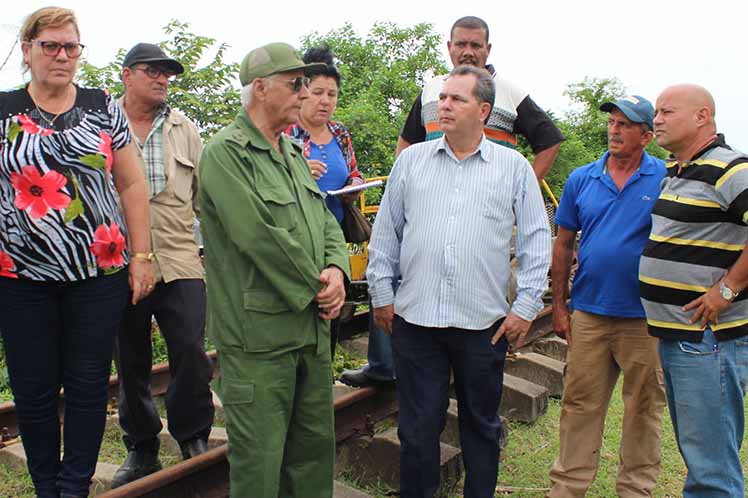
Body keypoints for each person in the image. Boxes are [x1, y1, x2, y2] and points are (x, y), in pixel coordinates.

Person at [340, 15, 563, 388]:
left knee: (478, 299)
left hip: (484, 210)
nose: (468, 51)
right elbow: (407, 140)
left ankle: (468, 371)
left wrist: (520, 190)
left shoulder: (508, 91)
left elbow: (549, 140)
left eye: (476, 45)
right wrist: (406, 183)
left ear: (488, 50)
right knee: (394, 272)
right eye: (461, 43)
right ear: (449, 47)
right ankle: (384, 365)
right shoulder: (431, 89)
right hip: (428, 203)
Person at [367, 65, 551, 498]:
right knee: (416, 429)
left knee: (481, 426)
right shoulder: (411, 162)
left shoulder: (513, 168)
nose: (443, 105)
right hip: (416, 320)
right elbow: (386, 233)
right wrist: (381, 294)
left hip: (482, 326)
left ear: (483, 110)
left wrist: (525, 307)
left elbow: (535, 238)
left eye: (456, 99)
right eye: (442, 98)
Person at [0, 7, 153, 498]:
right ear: (27, 51)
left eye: (71, 46)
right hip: (19, 276)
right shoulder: (2, 110)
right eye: (50, 46)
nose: (62, 56)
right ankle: (46, 485)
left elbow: (130, 183)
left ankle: (75, 486)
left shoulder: (103, 105)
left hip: (98, 272)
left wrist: (143, 256)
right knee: (33, 388)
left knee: (88, 385)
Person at [199, 42, 350, 498]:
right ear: (260, 88)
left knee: (311, 457)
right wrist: (316, 287)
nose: (305, 94)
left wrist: (337, 271)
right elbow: (258, 237)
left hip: (309, 331)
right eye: (295, 84)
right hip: (259, 340)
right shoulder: (226, 153)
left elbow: (323, 218)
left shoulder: (289, 152)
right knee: (260, 464)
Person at [547, 96, 667, 498]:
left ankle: (635, 490)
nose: (614, 130)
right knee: (579, 404)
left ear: (647, 136)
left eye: (625, 125)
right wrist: (560, 307)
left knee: (644, 409)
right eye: (612, 122)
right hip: (590, 314)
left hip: (645, 319)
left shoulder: (665, 178)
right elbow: (563, 245)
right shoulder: (583, 178)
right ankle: (567, 488)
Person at [110, 43, 214, 488]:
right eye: (152, 71)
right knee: (129, 356)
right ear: (127, 75)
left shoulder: (184, 128)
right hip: (116, 259)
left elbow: (204, 199)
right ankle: (142, 446)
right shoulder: (101, 123)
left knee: (190, 346)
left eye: (167, 74)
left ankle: (193, 435)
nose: (162, 79)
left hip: (179, 256)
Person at [639, 84, 748, 498]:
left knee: (711, 468)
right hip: (681, 338)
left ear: (703, 116)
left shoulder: (731, 167)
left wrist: (730, 287)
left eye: (668, 111)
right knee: (700, 455)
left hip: (709, 341)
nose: (658, 119)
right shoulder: (679, 169)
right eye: (657, 112)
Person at [285, 44, 363, 360]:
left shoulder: (339, 133)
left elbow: (353, 172)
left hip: (333, 241)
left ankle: (323, 385)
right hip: (295, 241)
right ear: (302, 92)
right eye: (318, 93)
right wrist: (298, 171)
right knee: (298, 318)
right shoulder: (285, 133)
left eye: (332, 95)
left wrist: (355, 186)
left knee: (330, 312)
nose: (325, 101)